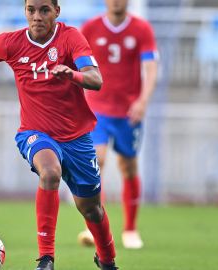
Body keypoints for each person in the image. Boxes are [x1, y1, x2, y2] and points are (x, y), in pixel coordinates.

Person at [0, 0, 118, 269]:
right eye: (31, 10)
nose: (37, 16)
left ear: (57, 11)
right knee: (50, 172)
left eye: (44, 10)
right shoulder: (11, 42)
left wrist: (73, 75)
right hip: (35, 133)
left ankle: (107, 259)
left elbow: (96, 79)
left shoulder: (70, 38)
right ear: (25, 12)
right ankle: (46, 258)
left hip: (77, 139)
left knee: (91, 208)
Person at [78, 0, 159, 249]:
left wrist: (143, 101)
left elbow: (151, 67)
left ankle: (131, 229)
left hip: (127, 113)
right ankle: (94, 228)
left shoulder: (141, 28)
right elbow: (77, 64)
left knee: (128, 167)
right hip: (97, 110)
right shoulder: (90, 27)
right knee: (96, 162)